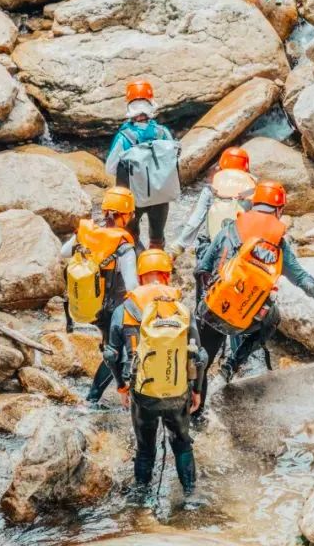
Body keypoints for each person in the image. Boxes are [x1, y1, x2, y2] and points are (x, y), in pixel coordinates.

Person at [193, 181, 314, 416]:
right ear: (279, 210)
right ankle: (232, 364)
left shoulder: (229, 228)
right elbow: (305, 282)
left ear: (254, 204)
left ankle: (194, 414)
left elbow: (201, 268)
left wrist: (202, 304)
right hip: (246, 320)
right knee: (273, 317)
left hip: (213, 310)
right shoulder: (278, 243)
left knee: (201, 361)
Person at [103, 249, 204, 500]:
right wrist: (197, 389)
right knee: (181, 442)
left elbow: (111, 355)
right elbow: (199, 356)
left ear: (140, 276)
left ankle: (140, 502)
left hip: (142, 393)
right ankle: (191, 496)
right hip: (177, 391)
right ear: (167, 276)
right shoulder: (180, 308)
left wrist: (121, 387)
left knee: (145, 449)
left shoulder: (125, 309)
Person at [61, 186, 139, 404]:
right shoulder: (123, 245)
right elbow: (132, 285)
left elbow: (64, 253)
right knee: (115, 352)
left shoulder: (88, 231)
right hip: (113, 308)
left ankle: (103, 393)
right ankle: (94, 397)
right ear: (125, 215)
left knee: (109, 347)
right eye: (131, 214)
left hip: (89, 304)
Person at [169, 146, 258, 305]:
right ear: (246, 167)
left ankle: (200, 312)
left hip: (211, 248)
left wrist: (177, 248)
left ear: (222, 166)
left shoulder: (212, 189)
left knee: (204, 286)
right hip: (241, 250)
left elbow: (195, 221)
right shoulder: (253, 188)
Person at [105, 80, 178, 251]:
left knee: (131, 237)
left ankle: (135, 262)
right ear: (151, 105)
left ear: (130, 107)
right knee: (157, 240)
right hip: (160, 196)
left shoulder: (124, 136)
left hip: (132, 200)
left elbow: (110, 168)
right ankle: (157, 267)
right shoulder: (164, 132)